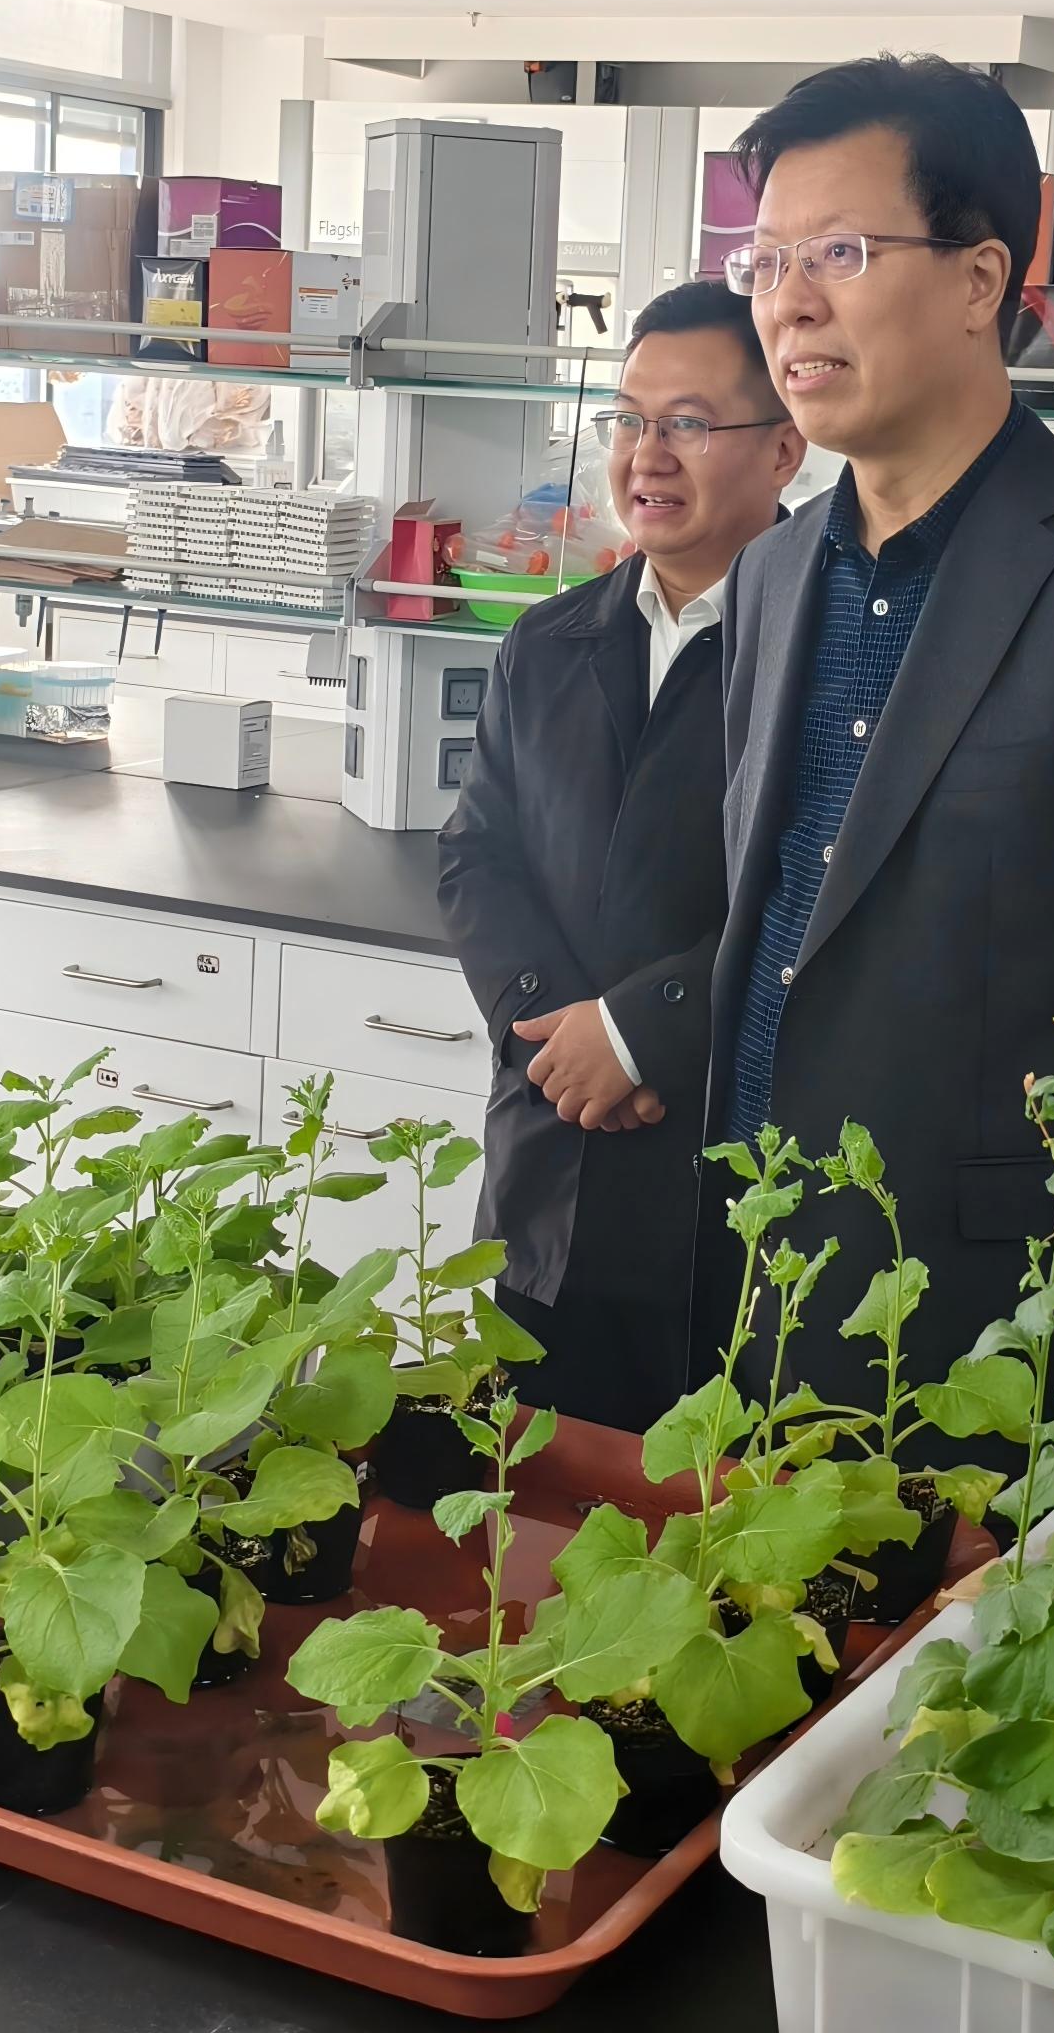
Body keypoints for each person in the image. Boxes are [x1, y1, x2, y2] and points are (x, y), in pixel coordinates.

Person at [709, 55, 1054, 1416]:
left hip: (1007, 1335)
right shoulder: (770, 576)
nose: (788, 302)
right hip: (753, 1282)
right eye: (765, 260)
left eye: (838, 252)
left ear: (979, 280)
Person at [437, 279, 803, 1429]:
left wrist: (640, 1032)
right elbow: (476, 855)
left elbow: (820, 897)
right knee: (524, 1489)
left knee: (717, 1507)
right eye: (629, 421)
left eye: (688, 423)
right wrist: (558, 1037)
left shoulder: (826, 659)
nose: (647, 455)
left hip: (730, 1200)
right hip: (550, 1176)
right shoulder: (548, 641)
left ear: (784, 447)